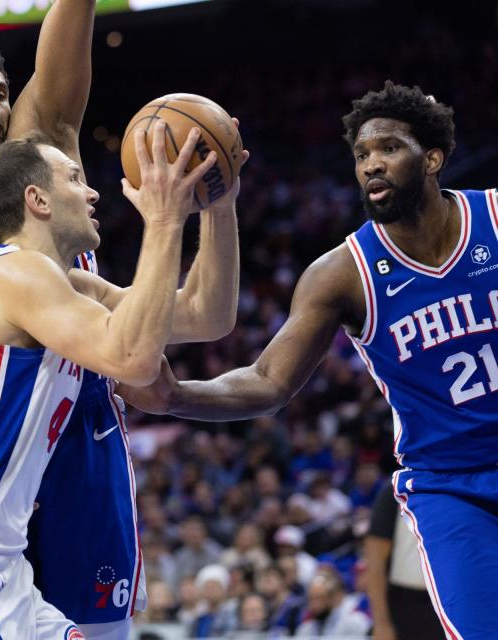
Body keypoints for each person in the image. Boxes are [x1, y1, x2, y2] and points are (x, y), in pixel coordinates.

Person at [0, 5, 237, 637]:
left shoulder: (43, 164)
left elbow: (206, 314)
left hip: (76, 442)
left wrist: (216, 203)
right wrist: (160, 220)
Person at [123, 80, 498, 639]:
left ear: (434, 158)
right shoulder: (342, 274)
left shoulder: (493, 215)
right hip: (451, 486)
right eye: (361, 155)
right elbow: (269, 382)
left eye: (389, 149)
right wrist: (176, 397)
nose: (372, 164)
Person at [365, 482, 443, 640]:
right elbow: (374, 564)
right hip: (405, 605)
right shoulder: (394, 490)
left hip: (451, 602)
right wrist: (381, 623)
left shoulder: (461, 487)